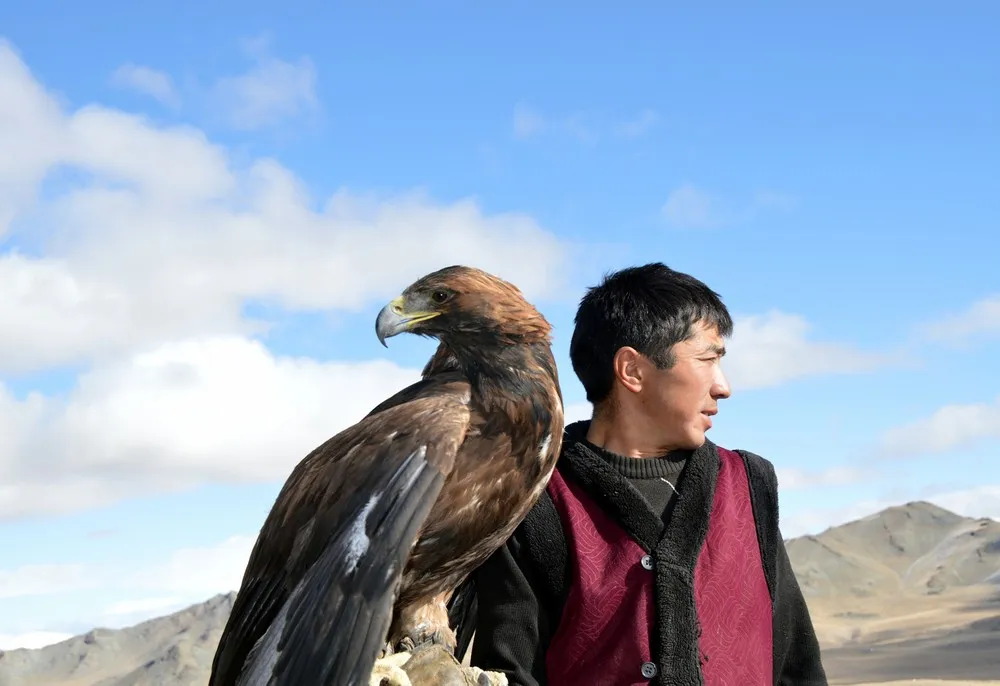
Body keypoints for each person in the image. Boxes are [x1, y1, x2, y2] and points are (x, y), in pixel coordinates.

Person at [455, 262, 828, 685]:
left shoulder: (749, 483)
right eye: (708, 358)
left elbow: (797, 667)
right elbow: (512, 673)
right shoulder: (537, 495)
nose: (723, 386)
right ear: (632, 370)